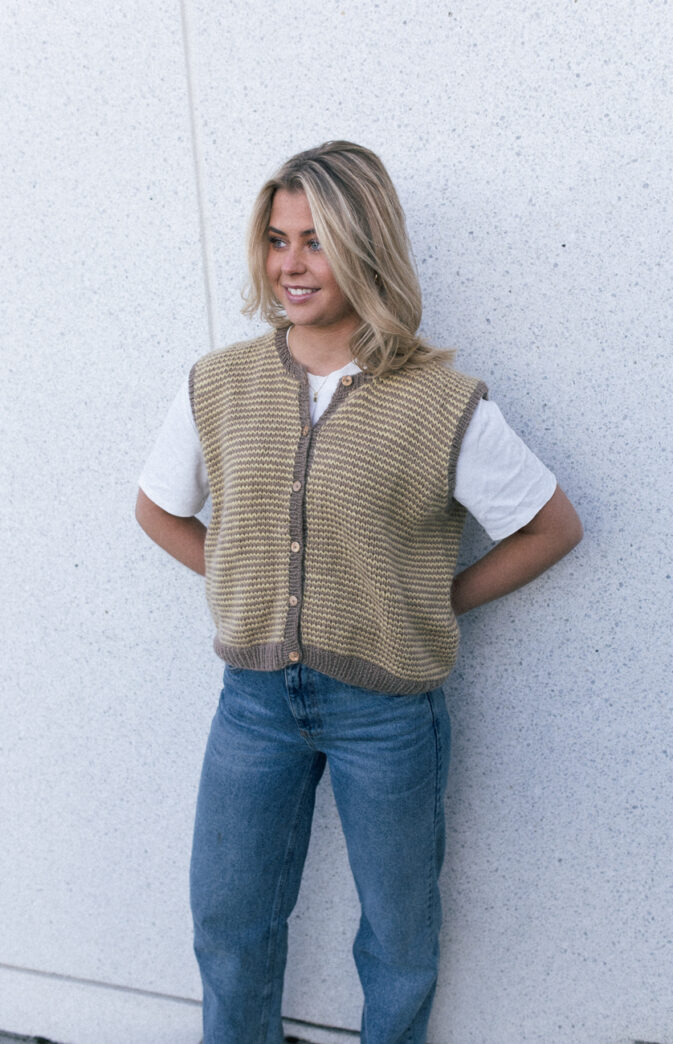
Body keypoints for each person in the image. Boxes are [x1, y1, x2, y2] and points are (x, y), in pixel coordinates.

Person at [136, 141, 582, 1044]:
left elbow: (550, 528)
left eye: (317, 241)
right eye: (277, 240)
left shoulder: (439, 403)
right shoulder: (219, 383)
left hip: (386, 711)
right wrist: (247, 579)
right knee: (228, 922)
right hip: (252, 703)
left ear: (366, 245)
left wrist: (427, 601)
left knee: (397, 935)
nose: (291, 265)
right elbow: (158, 511)